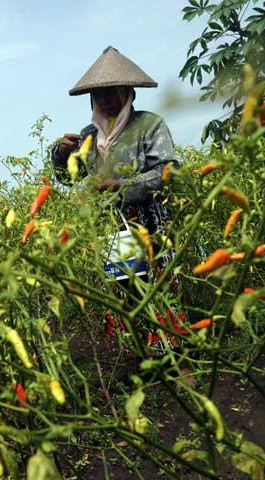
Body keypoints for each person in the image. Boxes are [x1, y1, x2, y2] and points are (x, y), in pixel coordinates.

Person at [52, 47, 190, 362]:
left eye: (111, 93)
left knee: (160, 288)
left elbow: (168, 171)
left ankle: (177, 361)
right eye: (98, 95)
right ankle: (140, 361)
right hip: (112, 228)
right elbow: (68, 178)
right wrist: (62, 156)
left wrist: (124, 185)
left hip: (151, 223)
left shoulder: (148, 125)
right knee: (125, 290)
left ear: (128, 93)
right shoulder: (88, 136)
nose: (105, 100)